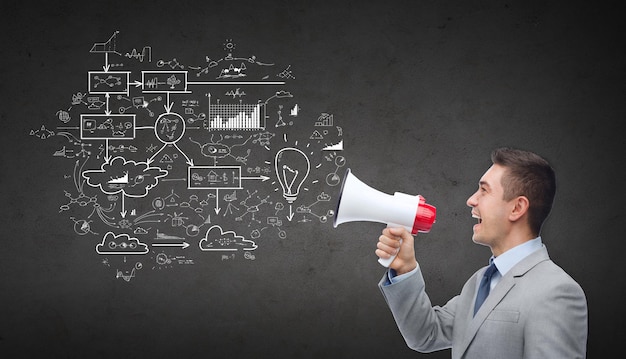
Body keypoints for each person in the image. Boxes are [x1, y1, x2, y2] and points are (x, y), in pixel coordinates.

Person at [376, 147, 588, 358]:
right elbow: (425, 334)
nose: (471, 200)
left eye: (484, 191)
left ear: (517, 208)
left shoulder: (557, 292)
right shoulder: (478, 282)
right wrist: (405, 268)